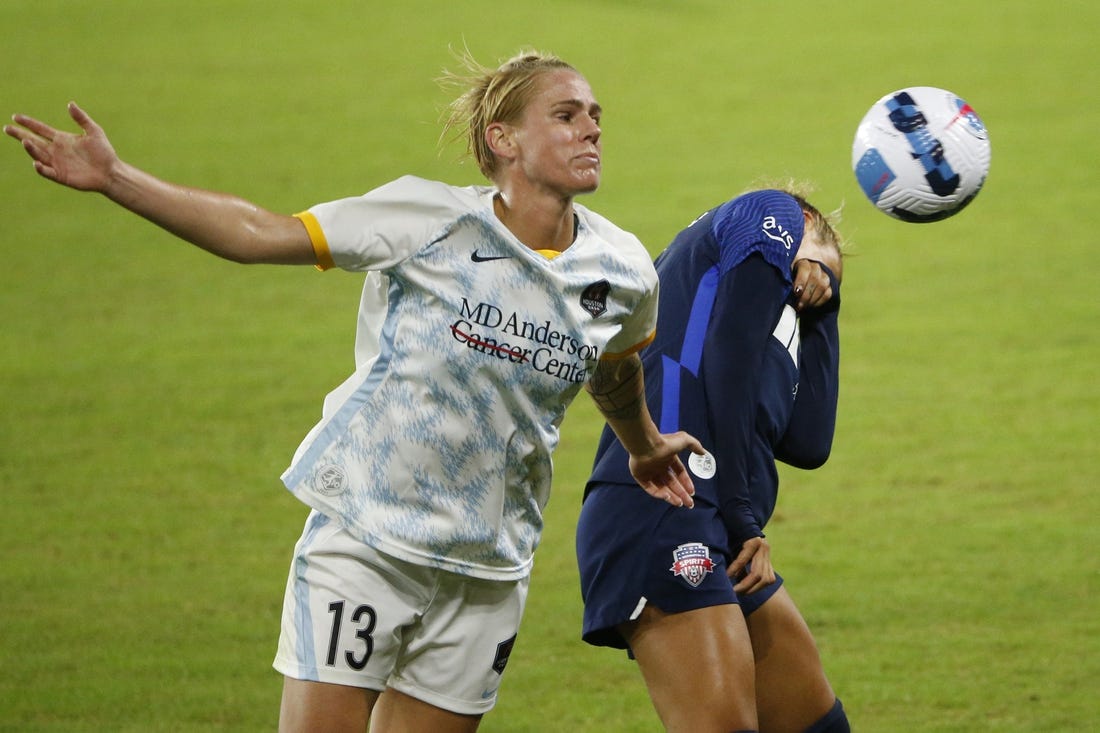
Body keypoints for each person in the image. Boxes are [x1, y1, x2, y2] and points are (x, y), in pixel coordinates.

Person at [5, 50, 704, 733]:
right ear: (504, 138)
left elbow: (613, 367)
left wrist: (642, 445)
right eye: (566, 114)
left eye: (594, 115)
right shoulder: (428, 221)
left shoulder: (623, 268)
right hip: (368, 538)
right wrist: (116, 177)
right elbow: (259, 233)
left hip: (488, 568)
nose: (591, 128)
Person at [575, 186, 850, 732]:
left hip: (713, 523)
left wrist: (826, 313)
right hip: (660, 504)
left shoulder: (777, 326)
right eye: (819, 264)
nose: (809, 285)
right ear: (806, 223)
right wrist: (744, 515)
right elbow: (727, 357)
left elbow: (809, 444)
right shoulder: (765, 212)